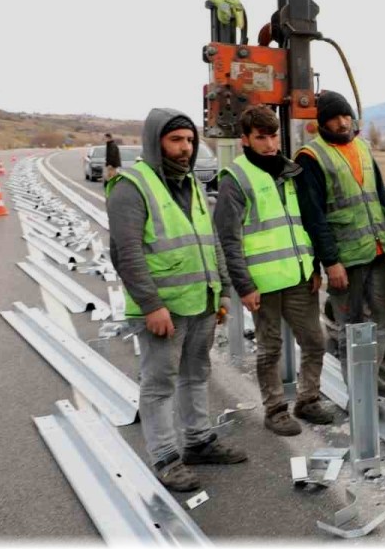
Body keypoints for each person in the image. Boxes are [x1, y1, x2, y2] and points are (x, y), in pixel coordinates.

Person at [106, 108, 246, 492]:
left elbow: (210, 240)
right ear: (156, 143)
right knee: (159, 382)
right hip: (162, 308)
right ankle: (166, 456)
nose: (185, 148)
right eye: (176, 140)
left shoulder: (192, 185)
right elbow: (127, 253)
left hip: (199, 300)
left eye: (189, 140)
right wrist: (151, 306)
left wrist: (222, 291)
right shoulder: (131, 187)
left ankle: (199, 441)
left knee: (197, 373)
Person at [214, 105, 334, 437]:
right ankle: (275, 409)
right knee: (270, 348)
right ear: (245, 140)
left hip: (299, 277)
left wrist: (314, 266)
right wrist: (244, 286)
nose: (269, 145)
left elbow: (303, 223)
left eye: (273, 136)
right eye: (261, 138)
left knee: (314, 341)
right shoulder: (235, 178)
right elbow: (229, 239)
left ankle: (307, 400)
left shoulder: (290, 172)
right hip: (262, 284)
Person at [294, 91, 385, 397]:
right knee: (351, 326)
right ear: (323, 123)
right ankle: (358, 393)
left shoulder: (363, 148)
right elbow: (313, 216)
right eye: (335, 118)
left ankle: (368, 374)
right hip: (344, 259)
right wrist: (330, 261)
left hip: (376, 251)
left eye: (346, 116)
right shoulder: (310, 158)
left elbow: (379, 197)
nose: (342, 123)